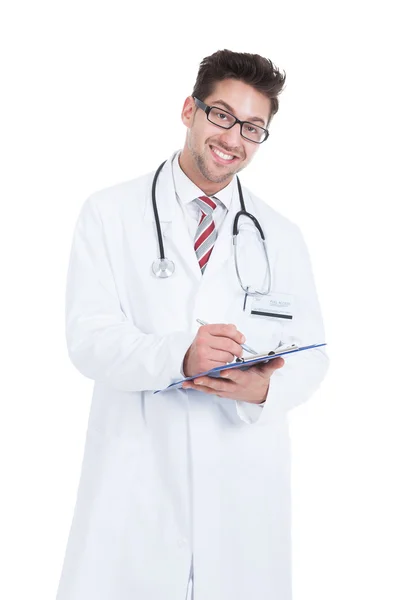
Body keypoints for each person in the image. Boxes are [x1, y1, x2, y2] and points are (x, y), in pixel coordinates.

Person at [56, 49, 328, 600]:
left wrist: (265, 388)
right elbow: (89, 339)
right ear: (190, 110)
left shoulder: (282, 234)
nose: (233, 138)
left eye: (253, 127)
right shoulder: (109, 213)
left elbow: (312, 356)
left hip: (242, 492)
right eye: (222, 115)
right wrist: (178, 358)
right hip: (136, 486)